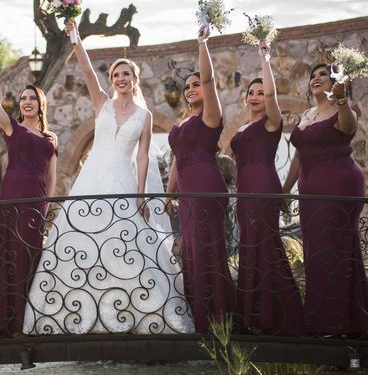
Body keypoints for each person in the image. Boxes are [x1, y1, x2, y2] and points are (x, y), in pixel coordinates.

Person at [23, 20, 194, 335]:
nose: (120, 78)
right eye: (116, 75)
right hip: (92, 178)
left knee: (125, 243)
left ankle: (137, 316)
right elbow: (88, 72)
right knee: (81, 240)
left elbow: (142, 156)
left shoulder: (145, 116)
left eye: (125, 73)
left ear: (134, 78)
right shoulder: (102, 103)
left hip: (124, 182)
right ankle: (73, 316)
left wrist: (141, 195)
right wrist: (76, 39)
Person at [283, 63, 368, 336]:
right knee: (316, 253)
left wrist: (342, 99)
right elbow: (298, 156)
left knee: (336, 252)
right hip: (309, 191)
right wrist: (284, 191)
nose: (317, 78)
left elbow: (348, 128)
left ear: (336, 83)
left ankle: (345, 324)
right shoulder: (306, 114)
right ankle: (322, 323)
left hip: (338, 187)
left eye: (324, 75)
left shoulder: (344, 109)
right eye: (313, 75)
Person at [0, 46, 58, 337]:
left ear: (40, 104)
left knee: (32, 256)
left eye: (32, 98)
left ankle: (31, 321)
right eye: (23, 98)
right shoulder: (12, 128)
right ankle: (7, 322)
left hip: (37, 203)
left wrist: (46, 207)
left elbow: (51, 176)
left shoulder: (51, 138)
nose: (26, 102)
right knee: (10, 257)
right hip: (12, 199)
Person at [165, 24, 237, 334]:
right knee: (191, 252)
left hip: (207, 188)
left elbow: (208, 79)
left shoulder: (210, 116)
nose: (193, 88)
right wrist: (169, 195)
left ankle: (220, 320)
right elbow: (175, 162)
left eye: (197, 84)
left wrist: (202, 43)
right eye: (188, 86)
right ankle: (200, 318)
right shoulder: (182, 122)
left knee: (208, 250)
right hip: (186, 195)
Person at [230, 40, 303, 336]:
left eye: (261, 93)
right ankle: (253, 317)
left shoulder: (272, 123)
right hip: (244, 190)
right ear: (245, 98)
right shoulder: (240, 129)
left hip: (263, 188)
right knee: (249, 248)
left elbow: (272, 93)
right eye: (252, 92)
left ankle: (282, 318)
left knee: (265, 247)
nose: (257, 96)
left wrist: (265, 60)